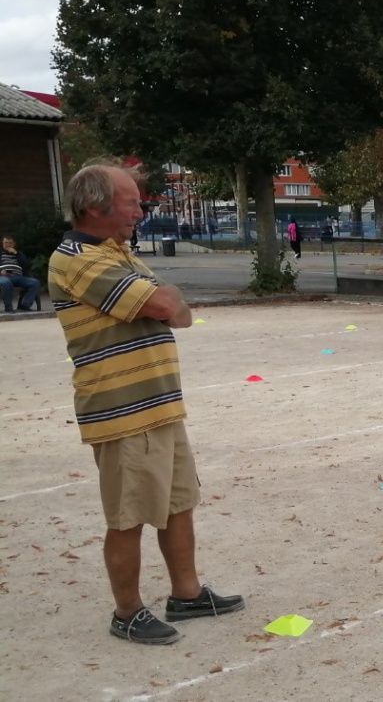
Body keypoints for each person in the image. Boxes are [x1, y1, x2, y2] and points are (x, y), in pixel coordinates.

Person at [50, 164, 243, 645]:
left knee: (179, 504)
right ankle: (127, 611)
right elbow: (164, 307)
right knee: (128, 514)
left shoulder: (118, 255)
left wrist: (166, 299)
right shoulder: (77, 257)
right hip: (121, 410)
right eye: (132, 201)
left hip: (158, 403)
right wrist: (165, 299)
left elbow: (183, 315)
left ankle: (186, 594)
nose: (141, 210)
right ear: (96, 207)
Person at [0, 236, 41, 312]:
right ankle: (8, 308)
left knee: (35, 282)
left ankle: (25, 305)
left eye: (10, 243)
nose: (8, 245)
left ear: (14, 244)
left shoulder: (18, 254)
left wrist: (16, 253)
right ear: (2, 243)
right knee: (6, 282)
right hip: (3, 277)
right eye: (6, 243)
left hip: (18, 277)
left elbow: (26, 264)